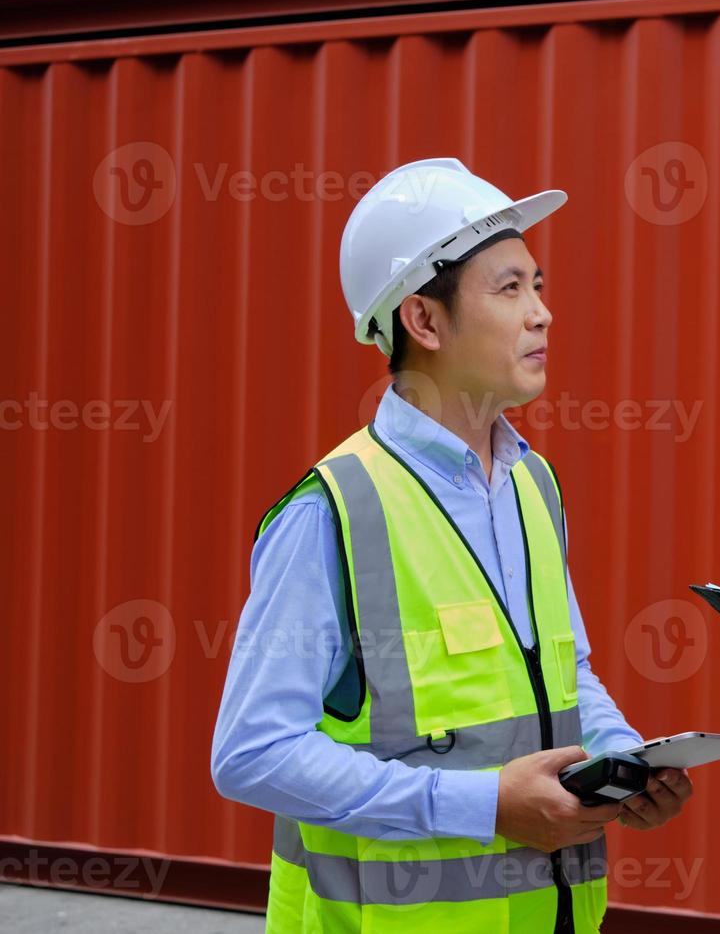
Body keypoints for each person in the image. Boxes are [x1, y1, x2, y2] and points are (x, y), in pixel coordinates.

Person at [212, 158, 692, 933]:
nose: (542, 314)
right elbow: (251, 752)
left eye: (537, 285)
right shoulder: (333, 511)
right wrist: (483, 805)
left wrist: (623, 760)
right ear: (424, 321)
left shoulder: (533, 482)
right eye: (509, 289)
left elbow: (567, 675)